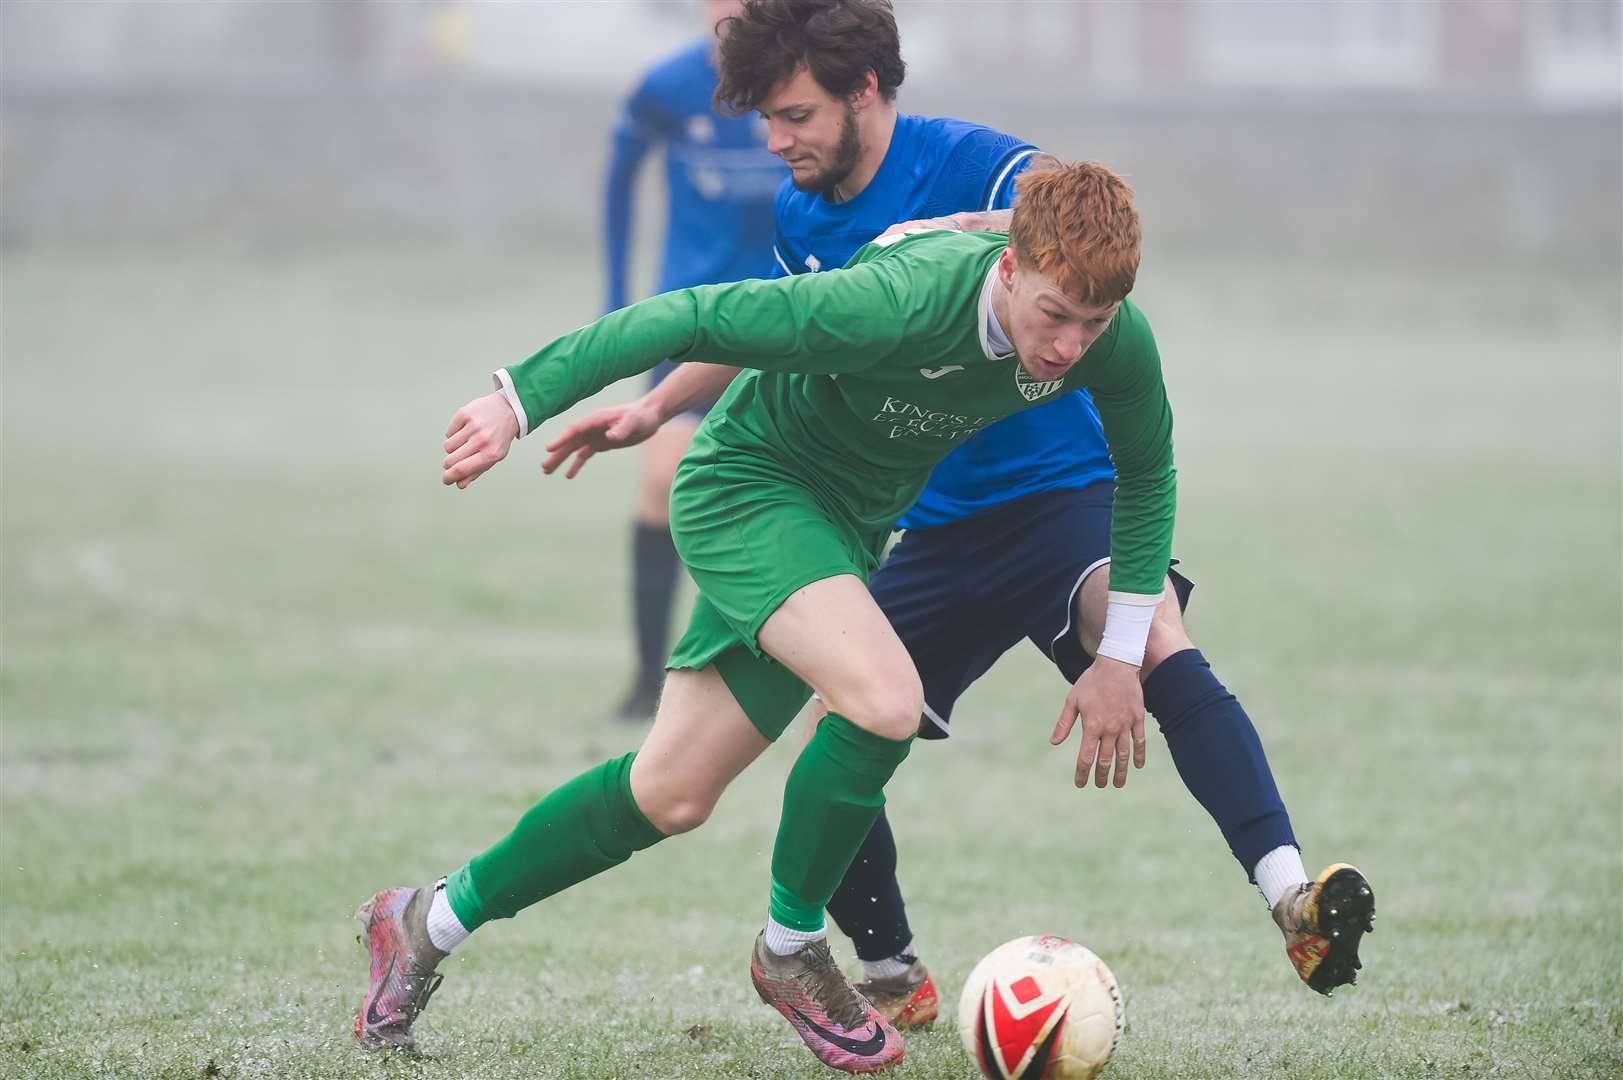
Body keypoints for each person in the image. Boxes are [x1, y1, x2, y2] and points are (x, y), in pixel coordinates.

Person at [541, 0, 1375, 1026]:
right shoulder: (802, 210)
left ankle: (1291, 891)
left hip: (1060, 492)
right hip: (927, 516)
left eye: (794, 112)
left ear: (865, 94)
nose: (776, 141)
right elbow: (783, 322)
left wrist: (940, 238)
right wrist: (666, 401)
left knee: (1150, 636)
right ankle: (888, 966)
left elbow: (1074, 224)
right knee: (847, 718)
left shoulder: (972, 162)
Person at [355, 159, 1171, 1074]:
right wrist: (518, 399)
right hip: (749, 488)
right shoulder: (894, 302)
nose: (1067, 347)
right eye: (1053, 316)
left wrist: (1119, 656)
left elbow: (1146, 475)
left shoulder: (1108, 338)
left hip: (845, 528)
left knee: (670, 793)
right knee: (884, 698)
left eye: (1090, 324)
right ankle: (790, 950)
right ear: (1010, 269)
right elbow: (691, 314)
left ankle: (421, 922)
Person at [600, 0, 785, 722]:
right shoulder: (666, 87)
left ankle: (815, 670)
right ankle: (647, 682)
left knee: (806, 492)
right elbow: (617, 181)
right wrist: (617, 297)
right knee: (661, 485)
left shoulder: (804, 89)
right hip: (693, 323)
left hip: (788, 321)